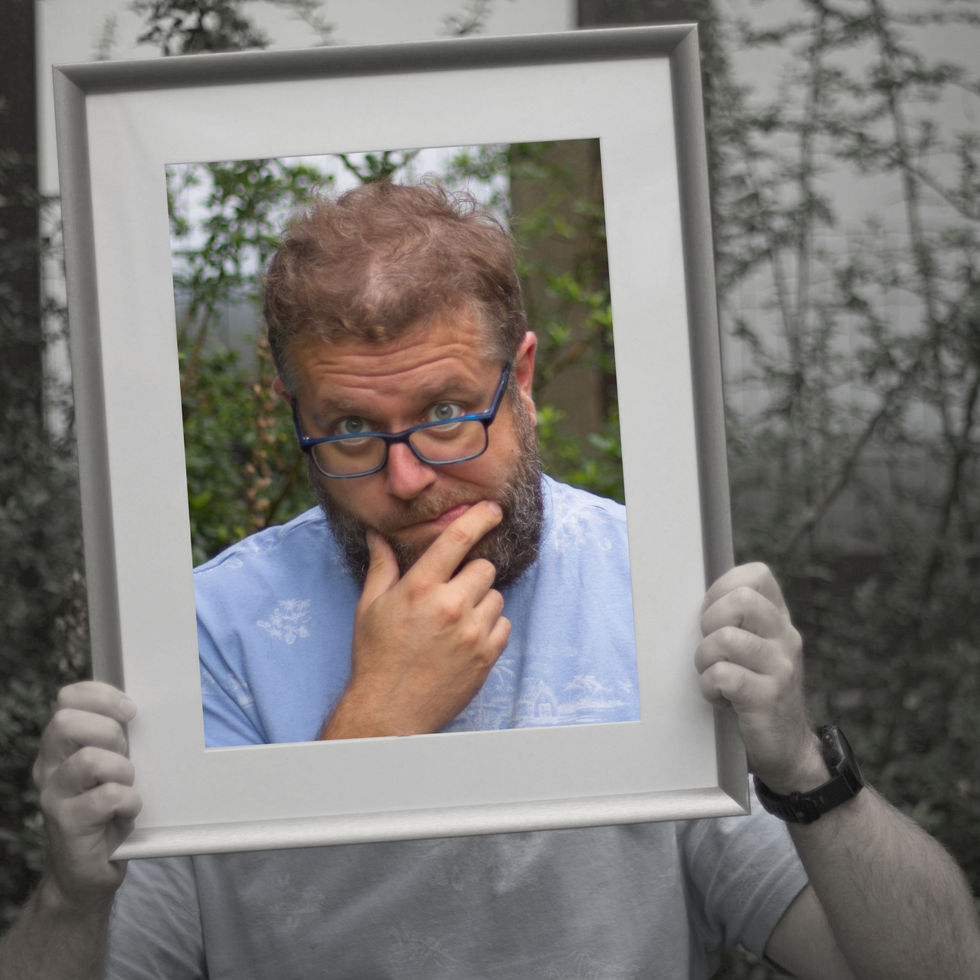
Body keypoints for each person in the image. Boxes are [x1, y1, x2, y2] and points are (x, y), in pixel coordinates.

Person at [2, 181, 979, 979]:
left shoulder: (650, 587)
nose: (406, 478)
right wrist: (73, 894)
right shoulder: (210, 630)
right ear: (295, 412)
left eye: (445, 412)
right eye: (350, 428)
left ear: (522, 380)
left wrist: (802, 766)